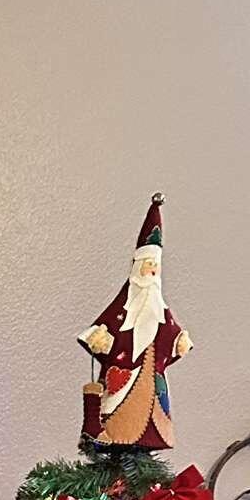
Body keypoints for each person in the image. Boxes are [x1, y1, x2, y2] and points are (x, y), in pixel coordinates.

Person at [77, 192, 192, 451]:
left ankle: (152, 435)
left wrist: (179, 342)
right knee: (118, 404)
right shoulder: (124, 308)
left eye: (155, 267)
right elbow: (103, 330)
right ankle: (112, 432)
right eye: (147, 265)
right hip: (123, 377)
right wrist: (100, 338)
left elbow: (171, 335)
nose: (151, 271)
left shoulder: (161, 311)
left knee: (154, 406)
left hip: (154, 381)